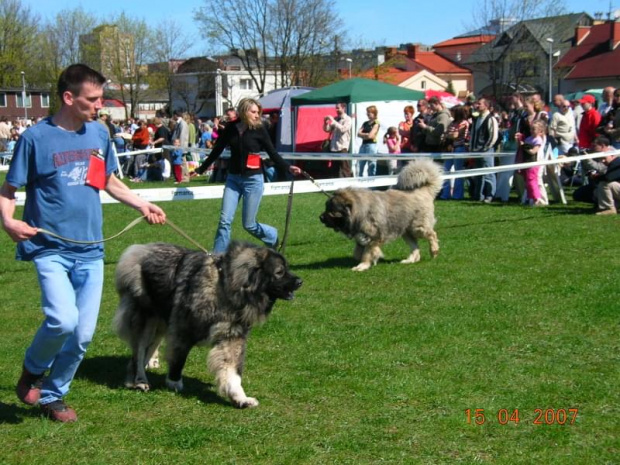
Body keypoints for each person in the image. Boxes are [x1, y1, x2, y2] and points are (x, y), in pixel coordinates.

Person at [0, 64, 166, 423]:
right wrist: (8, 221)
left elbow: (104, 179)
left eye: (101, 98)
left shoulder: (98, 134)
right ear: (68, 97)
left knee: (82, 335)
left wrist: (141, 202)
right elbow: (8, 189)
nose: (100, 104)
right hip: (50, 247)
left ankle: (54, 396)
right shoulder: (35, 139)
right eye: (93, 99)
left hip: (91, 249)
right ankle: (32, 370)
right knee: (62, 319)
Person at [192, 98, 301, 253]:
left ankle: (271, 236)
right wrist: (200, 169)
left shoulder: (260, 129)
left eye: (258, 112)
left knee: (249, 224)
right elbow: (217, 150)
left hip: (253, 181)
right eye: (254, 112)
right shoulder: (230, 128)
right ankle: (218, 257)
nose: (257, 115)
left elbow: (273, 153)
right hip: (233, 180)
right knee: (224, 221)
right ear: (244, 111)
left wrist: (288, 167)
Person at [469, 98, 499, 203]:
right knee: (479, 174)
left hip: (486, 151)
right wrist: (472, 147)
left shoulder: (491, 119)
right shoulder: (477, 119)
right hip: (477, 150)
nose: (477, 105)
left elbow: (493, 135)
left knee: (488, 173)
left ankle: (490, 195)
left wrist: (486, 148)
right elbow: (473, 134)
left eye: (479, 103)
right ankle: (479, 195)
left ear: (486, 106)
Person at [439, 105, 469, 200]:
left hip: (459, 148)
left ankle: (458, 195)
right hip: (451, 148)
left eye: (453, 112)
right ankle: (446, 194)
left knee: (458, 172)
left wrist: (448, 135)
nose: (451, 113)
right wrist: (448, 135)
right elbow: (448, 134)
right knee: (445, 170)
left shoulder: (464, 123)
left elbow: (455, 135)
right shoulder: (453, 122)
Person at [516, 119, 546, 207]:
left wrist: (524, 146)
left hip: (534, 163)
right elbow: (521, 147)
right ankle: (530, 198)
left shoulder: (538, 140)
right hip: (526, 162)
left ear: (540, 131)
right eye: (531, 129)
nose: (531, 131)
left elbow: (533, 151)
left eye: (534, 129)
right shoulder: (529, 138)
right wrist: (519, 141)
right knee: (527, 182)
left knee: (532, 181)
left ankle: (537, 198)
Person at [588, 136, 620, 215]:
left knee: (605, 184)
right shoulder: (612, 164)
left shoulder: (617, 163)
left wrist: (596, 176)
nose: (603, 161)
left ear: (612, 155)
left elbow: (608, 178)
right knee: (597, 190)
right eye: (601, 159)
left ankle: (609, 208)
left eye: (604, 158)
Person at [323, 102, 352, 178]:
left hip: (342, 147)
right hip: (334, 147)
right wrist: (325, 123)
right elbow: (327, 130)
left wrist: (333, 121)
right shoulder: (336, 119)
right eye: (336, 108)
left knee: (345, 169)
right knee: (334, 169)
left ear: (343, 108)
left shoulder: (348, 119)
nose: (336, 109)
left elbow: (343, 129)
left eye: (338, 108)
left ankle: (349, 185)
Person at [357, 105, 380, 177]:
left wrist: (365, 135)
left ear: (374, 113)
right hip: (363, 145)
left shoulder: (376, 123)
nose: (368, 114)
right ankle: (359, 181)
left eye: (369, 112)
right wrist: (366, 134)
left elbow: (371, 136)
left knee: (371, 165)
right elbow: (358, 134)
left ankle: (371, 184)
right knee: (360, 165)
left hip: (371, 145)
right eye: (367, 112)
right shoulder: (365, 123)